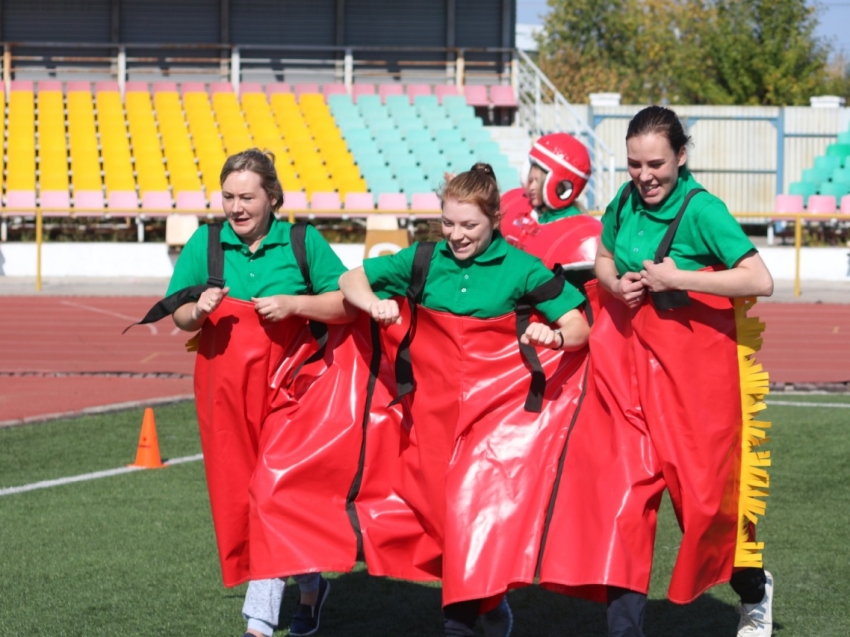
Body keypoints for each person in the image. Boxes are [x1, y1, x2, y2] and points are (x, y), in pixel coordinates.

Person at [538, 106, 775, 637]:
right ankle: (626, 630)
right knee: (621, 501)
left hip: (693, 382)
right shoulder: (624, 201)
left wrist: (680, 278)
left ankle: (754, 591)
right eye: (633, 165)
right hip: (625, 373)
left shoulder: (702, 210)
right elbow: (602, 257)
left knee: (706, 507)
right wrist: (616, 283)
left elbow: (759, 279)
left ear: (681, 157)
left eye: (656, 164)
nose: (644, 176)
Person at [340, 163, 591, 637]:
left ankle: (460, 619)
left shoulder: (520, 268)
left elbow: (579, 325)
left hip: (492, 421)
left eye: (469, 225)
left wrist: (555, 336)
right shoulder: (423, 259)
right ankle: (491, 608)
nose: (456, 235)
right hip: (429, 417)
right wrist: (372, 302)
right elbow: (351, 279)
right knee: (440, 519)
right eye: (448, 223)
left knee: (465, 514)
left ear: (495, 218)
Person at [158, 149, 367, 637]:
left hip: (292, 394)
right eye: (228, 196)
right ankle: (312, 590)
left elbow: (345, 305)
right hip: (223, 395)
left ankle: (258, 624)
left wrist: (296, 303)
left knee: (269, 496)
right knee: (242, 500)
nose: (236, 207)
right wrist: (199, 309)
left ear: (271, 197)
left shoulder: (302, 241)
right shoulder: (206, 244)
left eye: (247, 196)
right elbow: (179, 315)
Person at [500, 132, 602, 273]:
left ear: (561, 187)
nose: (532, 187)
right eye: (530, 179)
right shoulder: (517, 203)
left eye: (538, 181)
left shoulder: (585, 237)